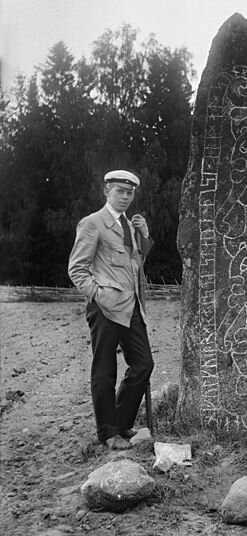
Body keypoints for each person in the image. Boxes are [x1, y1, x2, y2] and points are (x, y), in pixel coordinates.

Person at [68, 170, 154, 450]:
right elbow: (77, 269)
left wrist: (144, 236)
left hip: (131, 308)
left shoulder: (130, 226)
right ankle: (108, 433)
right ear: (107, 191)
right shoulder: (93, 223)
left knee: (143, 365)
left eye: (130, 193)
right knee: (104, 371)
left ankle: (121, 423)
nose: (126, 197)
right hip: (104, 309)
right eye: (120, 191)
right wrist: (98, 294)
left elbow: (134, 265)